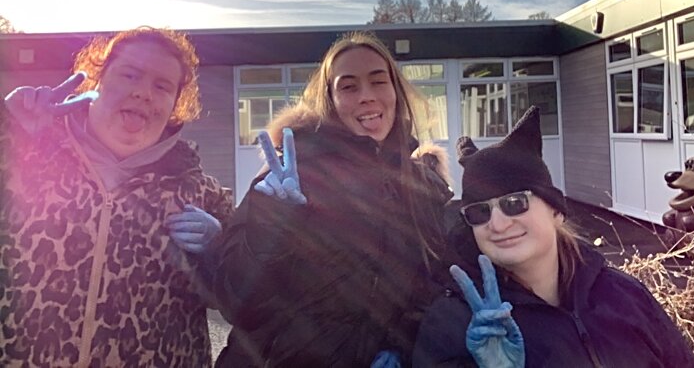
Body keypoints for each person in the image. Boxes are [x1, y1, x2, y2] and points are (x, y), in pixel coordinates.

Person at [211, 31, 452, 367]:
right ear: (330, 100)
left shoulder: (425, 189)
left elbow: (432, 290)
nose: (367, 96)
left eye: (378, 81)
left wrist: (404, 345)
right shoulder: (292, 173)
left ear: (395, 91)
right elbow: (235, 300)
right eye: (349, 87)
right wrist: (268, 223)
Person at [0, 27, 233, 367]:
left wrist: (222, 249)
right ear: (97, 81)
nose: (143, 93)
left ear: (175, 105)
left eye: (162, 86)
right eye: (130, 75)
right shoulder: (23, 159)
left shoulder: (203, 195)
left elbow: (245, 301)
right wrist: (6, 128)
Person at [413, 106, 694, 367]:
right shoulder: (454, 324)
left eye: (514, 203)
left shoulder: (625, 295)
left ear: (556, 211)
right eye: (480, 212)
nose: (497, 225)